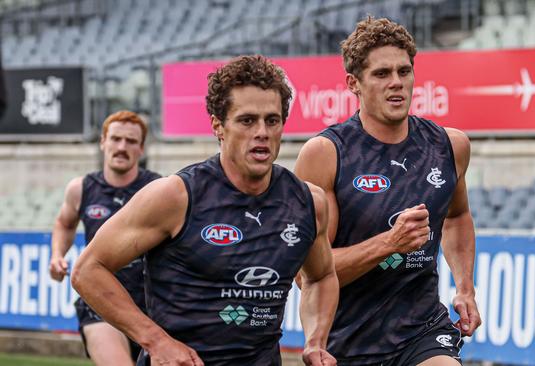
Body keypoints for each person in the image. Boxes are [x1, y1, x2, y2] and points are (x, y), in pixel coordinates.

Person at [71, 55, 339, 366]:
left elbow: (320, 277)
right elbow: (87, 270)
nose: (262, 132)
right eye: (247, 120)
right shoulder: (175, 196)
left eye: (272, 120)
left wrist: (315, 340)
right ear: (218, 126)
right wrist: (156, 341)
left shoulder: (309, 202)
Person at [294, 17, 481, 366]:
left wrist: (465, 287)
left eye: (404, 71)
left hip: (422, 329)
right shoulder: (326, 154)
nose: (396, 83)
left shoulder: (449, 146)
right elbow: (307, 277)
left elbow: (456, 217)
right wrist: (389, 244)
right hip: (346, 339)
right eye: (381, 74)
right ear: (354, 84)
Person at [49, 110, 161, 365]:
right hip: (99, 300)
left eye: (131, 141)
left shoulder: (158, 190)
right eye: (116, 139)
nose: (122, 147)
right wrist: (57, 255)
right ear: (103, 142)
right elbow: (65, 223)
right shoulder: (81, 188)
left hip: (151, 305)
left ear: (141, 149)